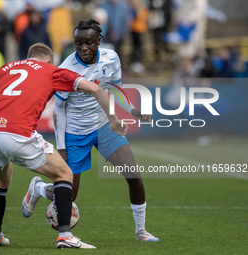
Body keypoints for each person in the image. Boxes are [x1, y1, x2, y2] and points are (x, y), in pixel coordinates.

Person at [0, 43, 127, 249]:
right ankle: (65, 236)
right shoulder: (51, 70)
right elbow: (94, 88)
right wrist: (113, 119)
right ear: (49, 60)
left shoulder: (5, 69)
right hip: (18, 134)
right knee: (64, 174)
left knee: (0, 182)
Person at [22, 19, 159, 242]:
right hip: (75, 134)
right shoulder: (66, 68)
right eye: (78, 43)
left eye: (88, 43)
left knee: (134, 176)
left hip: (104, 127)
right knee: (69, 195)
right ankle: (39, 188)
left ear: (99, 41)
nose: (83, 48)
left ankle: (141, 231)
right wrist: (63, 147)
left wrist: (133, 110)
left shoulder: (111, 58)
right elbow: (58, 109)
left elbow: (114, 89)